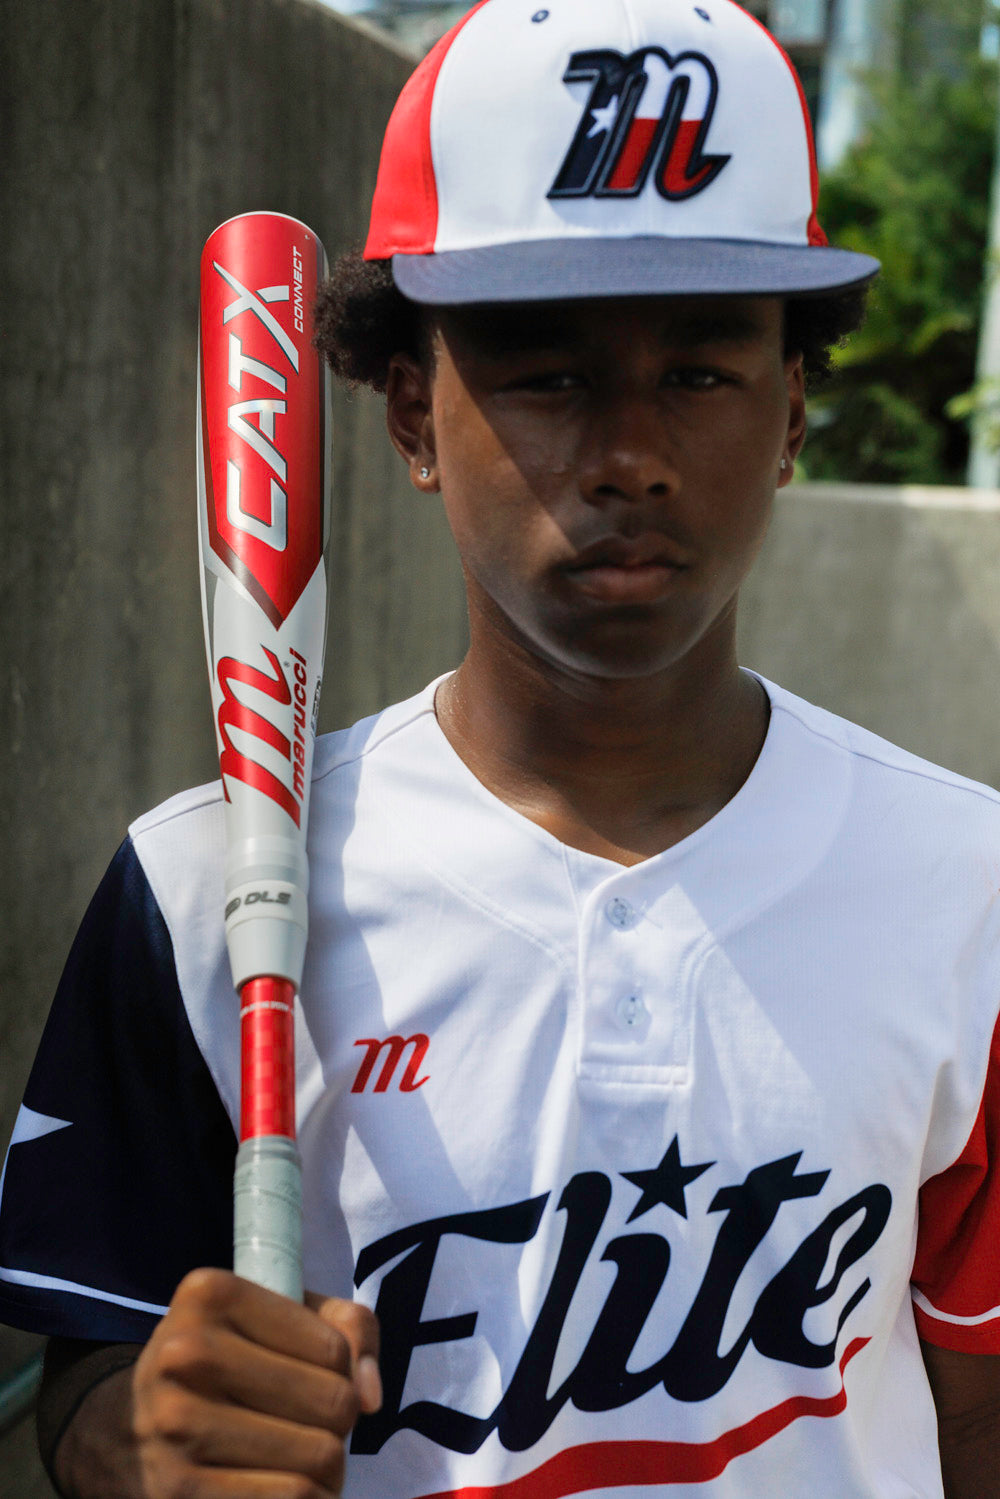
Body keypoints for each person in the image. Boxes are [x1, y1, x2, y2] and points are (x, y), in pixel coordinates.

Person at [3, 0, 1000, 1495]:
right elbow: (89, 1371)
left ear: (793, 408)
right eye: (548, 373)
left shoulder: (970, 886)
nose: (630, 456)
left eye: (701, 370)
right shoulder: (202, 889)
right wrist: (141, 1441)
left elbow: (976, 1418)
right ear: (413, 414)